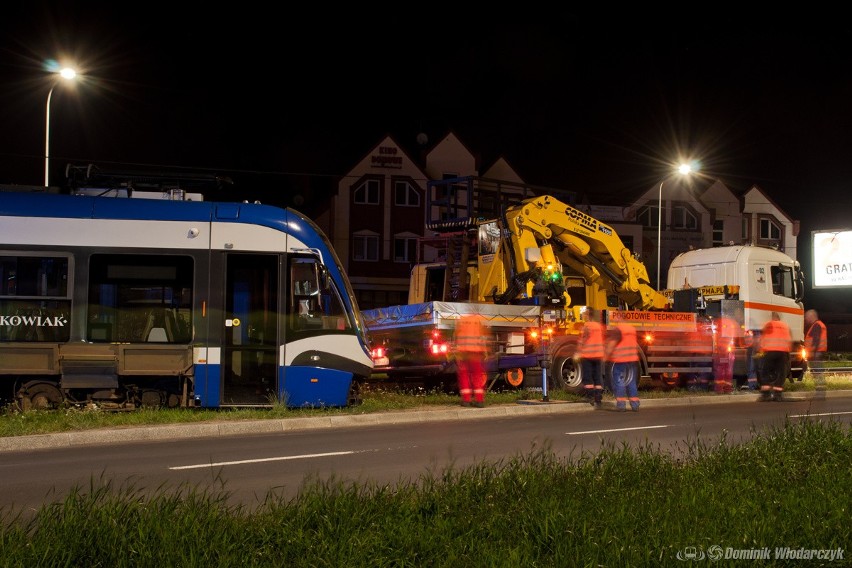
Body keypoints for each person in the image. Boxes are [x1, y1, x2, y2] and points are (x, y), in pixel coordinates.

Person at [453, 313, 488, 407]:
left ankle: (466, 400)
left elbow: (456, 335)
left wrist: (456, 350)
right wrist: (484, 351)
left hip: (463, 353)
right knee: (477, 376)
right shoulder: (478, 320)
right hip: (476, 353)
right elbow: (482, 336)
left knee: (464, 375)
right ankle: (479, 401)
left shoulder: (460, 320)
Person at [605, 322, 640, 412]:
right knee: (631, 382)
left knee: (620, 382)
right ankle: (635, 405)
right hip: (632, 360)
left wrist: (606, 356)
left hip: (621, 360)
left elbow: (612, 344)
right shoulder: (632, 328)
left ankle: (621, 405)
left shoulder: (619, 329)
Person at [757, 312, 792, 402]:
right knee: (781, 374)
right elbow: (789, 340)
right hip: (783, 352)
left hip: (770, 352)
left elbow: (762, 339)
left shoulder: (768, 324)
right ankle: (778, 395)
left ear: (772, 318)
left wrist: (760, 351)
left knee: (765, 373)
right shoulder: (785, 326)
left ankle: (766, 395)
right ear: (779, 318)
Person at [576, 308, 605, 408]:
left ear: (588, 315)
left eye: (584, 314)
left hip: (588, 355)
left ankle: (590, 396)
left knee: (588, 376)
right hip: (598, 354)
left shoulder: (587, 326)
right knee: (598, 376)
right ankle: (598, 398)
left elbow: (583, 339)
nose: (583, 316)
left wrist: (578, 351)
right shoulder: (599, 326)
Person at [804, 309, 828, 390]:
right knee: (818, 371)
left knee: (817, 371)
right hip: (818, 352)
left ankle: (820, 390)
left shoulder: (816, 325)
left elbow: (815, 340)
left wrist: (811, 352)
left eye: (807, 317)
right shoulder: (818, 325)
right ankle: (820, 389)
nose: (806, 319)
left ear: (812, 316)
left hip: (815, 353)